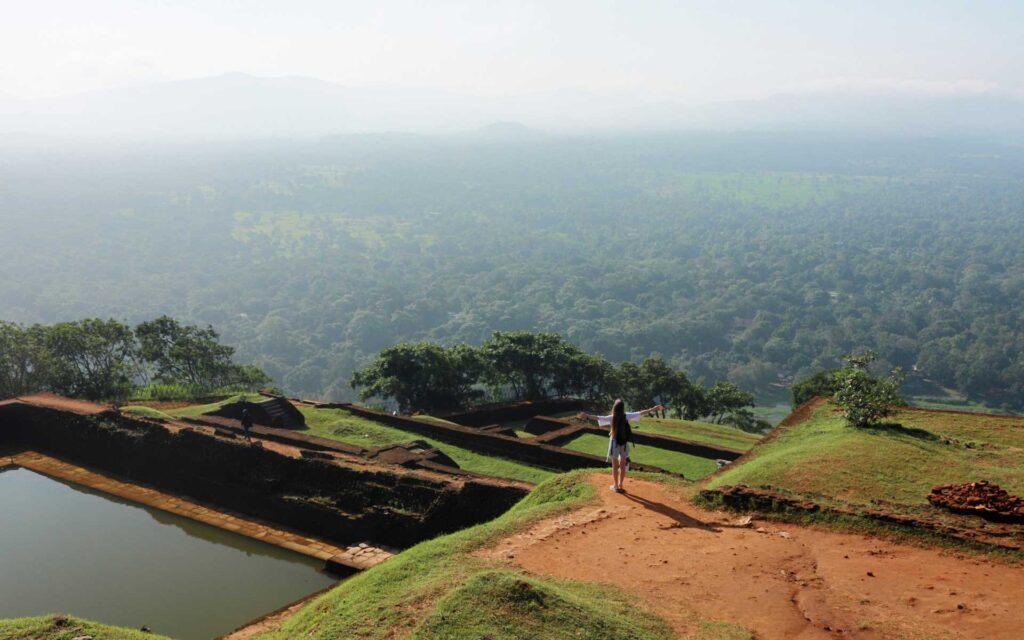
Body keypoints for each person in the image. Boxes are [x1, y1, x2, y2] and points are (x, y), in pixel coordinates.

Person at [577, 400, 663, 493]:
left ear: (615, 407)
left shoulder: (612, 417)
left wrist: (586, 416)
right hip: (624, 443)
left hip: (614, 442)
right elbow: (641, 413)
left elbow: (598, 418)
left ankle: (615, 486)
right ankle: (621, 484)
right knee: (622, 465)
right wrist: (653, 409)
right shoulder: (626, 415)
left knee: (615, 466)